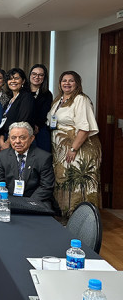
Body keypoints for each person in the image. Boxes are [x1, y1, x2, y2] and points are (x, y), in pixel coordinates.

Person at [48, 71, 101, 217]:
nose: (67, 83)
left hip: (77, 149)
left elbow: (84, 128)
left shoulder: (80, 99)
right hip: (60, 149)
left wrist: (73, 148)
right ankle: (64, 215)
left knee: (77, 183)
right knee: (64, 182)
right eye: (64, 80)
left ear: (77, 83)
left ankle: (81, 218)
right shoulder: (59, 100)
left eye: (71, 81)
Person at [0, 122, 60, 213]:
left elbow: (46, 186)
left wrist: (27, 204)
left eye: (22, 137)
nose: (17, 141)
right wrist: (11, 202)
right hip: (9, 201)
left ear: (31, 139)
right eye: (13, 138)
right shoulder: (2, 156)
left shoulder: (43, 157)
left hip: (34, 202)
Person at [0, 68, 34, 151]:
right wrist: (1, 140)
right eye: (10, 79)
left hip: (18, 140)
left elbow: (23, 121)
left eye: (16, 78)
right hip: (7, 138)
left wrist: (8, 142)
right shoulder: (10, 100)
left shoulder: (26, 97)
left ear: (23, 81)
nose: (13, 81)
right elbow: (4, 121)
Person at [29, 64, 53, 152]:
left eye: (40, 75)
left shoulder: (47, 94)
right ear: (30, 75)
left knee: (43, 155)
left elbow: (44, 112)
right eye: (34, 74)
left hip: (39, 127)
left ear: (44, 77)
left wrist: (36, 126)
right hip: (23, 126)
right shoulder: (22, 91)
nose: (37, 77)